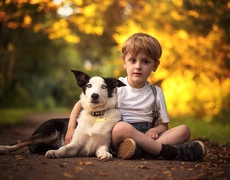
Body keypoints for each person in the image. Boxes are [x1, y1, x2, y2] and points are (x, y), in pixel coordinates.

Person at [65, 32, 206, 161]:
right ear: (124, 63)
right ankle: (167, 151)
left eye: (145, 62)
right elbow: (80, 104)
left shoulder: (156, 92)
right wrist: (71, 127)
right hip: (119, 136)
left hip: (148, 135)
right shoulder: (115, 87)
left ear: (155, 65)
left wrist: (155, 130)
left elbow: (163, 126)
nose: (138, 66)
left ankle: (141, 150)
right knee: (122, 127)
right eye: (133, 60)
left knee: (184, 130)